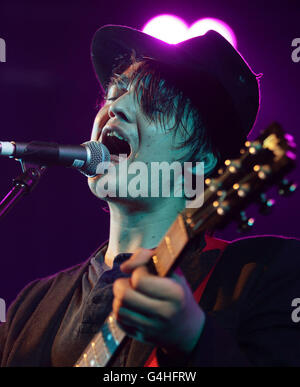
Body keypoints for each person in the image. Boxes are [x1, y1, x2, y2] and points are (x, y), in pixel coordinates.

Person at [0, 25, 300, 367]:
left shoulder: (263, 274)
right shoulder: (32, 307)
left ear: (201, 162)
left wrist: (193, 339)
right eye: (115, 94)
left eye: (154, 105)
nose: (116, 109)